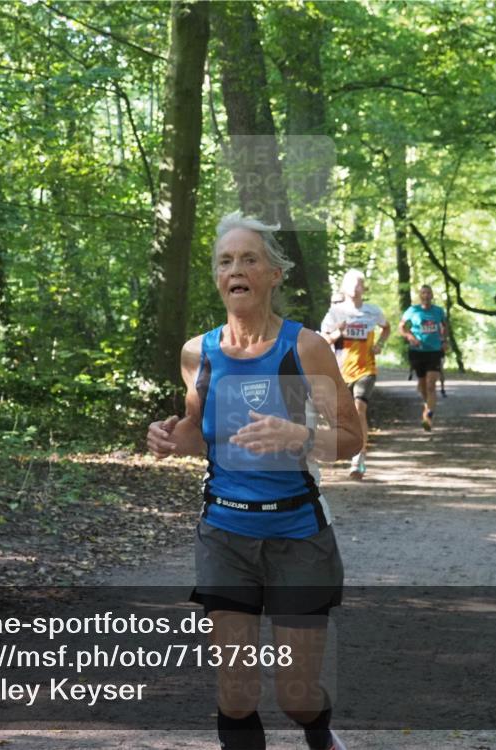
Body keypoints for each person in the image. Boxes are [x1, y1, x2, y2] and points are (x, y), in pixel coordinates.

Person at [147, 211, 361, 750]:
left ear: (273, 275)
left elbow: (352, 440)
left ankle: (319, 733)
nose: (235, 269)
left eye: (249, 259)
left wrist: (299, 437)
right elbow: (199, 434)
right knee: (237, 693)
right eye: (225, 261)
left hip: (298, 536)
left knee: (296, 695)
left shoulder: (305, 347)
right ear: (217, 277)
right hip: (224, 534)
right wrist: (174, 440)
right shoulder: (199, 353)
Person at [319, 269, 391, 479]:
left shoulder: (373, 311)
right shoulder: (336, 312)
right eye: (351, 283)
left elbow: (386, 328)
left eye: (359, 283)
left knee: (360, 410)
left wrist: (380, 344)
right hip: (340, 371)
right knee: (339, 416)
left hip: (365, 369)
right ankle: (340, 448)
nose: (355, 287)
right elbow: (323, 340)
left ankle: (358, 458)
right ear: (344, 286)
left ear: (364, 287)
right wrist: (338, 333)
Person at [398, 284, 447, 431]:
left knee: (431, 384)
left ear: (432, 296)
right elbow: (401, 327)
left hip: (434, 351)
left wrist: (444, 340)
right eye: (423, 293)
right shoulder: (412, 310)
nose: (425, 295)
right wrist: (409, 336)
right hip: (417, 351)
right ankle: (427, 406)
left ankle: (429, 415)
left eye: (428, 293)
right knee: (422, 385)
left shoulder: (438, 311)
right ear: (420, 296)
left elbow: (444, 326)